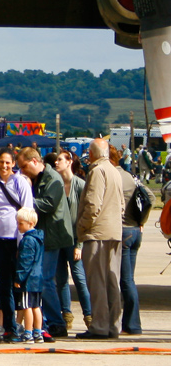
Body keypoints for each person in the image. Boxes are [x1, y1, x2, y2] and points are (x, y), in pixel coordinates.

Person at [76, 138, 125, 340]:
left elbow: (92, 204)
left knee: (96, 282)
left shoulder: (97, 171)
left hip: (97, 234)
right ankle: (114, 325)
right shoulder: (115, 171)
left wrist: (81, 226)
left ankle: (99, 325)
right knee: (112, 282)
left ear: (93, 153)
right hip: (114, 232)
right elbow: (122, 204)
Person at [17, 147, 67, 340]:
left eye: (24, 166)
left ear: (34, 162)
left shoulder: (53, 179)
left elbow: (48, 204)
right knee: (44, 280)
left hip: (51, 236)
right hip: (42, 235)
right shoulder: (39, 178)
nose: (22, 170)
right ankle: (45, 322)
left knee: (45, 280)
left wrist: (27, 202)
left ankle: (56, 323)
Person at [0, 148, 34, 342]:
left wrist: (23, 243)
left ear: (13, 163)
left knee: (19, 285)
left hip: (16, 240)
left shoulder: (21, 182)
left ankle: (23, 327)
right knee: (3, 285)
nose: (4, 166)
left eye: (8, 162)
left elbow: (28, 209)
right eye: (1, 162)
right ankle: (8, 327)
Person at [111, 146, 153, 336]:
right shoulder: (130, 176)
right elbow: (150, 197)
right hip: (135, 230)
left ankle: (133, 324)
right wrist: (141, 221)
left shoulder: (114, 177)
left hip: (124, 230)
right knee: (129, 279)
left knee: (125, 280)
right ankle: (130, 323)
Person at [49, 149, 92, 332]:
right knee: (61, 279)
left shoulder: (80, 185)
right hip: (58, 239)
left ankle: (89, 315)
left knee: (79, 278)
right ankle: (66, 315)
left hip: (75, 239)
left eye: (59, 160)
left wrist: (80, 244)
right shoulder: (55, 184)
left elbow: (85, 214)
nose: (56, 163)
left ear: (69, 162)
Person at [14, 207, 45, 343]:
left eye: (21, 223)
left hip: (28, 279)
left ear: (30, 223)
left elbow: (25, 262)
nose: (18, 226)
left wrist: (19, 278)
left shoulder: (27, 240)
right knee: (36, 306)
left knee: (26, 307)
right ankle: (38, 332)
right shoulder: (39, 238)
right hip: (37, 278)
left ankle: (28, 332)